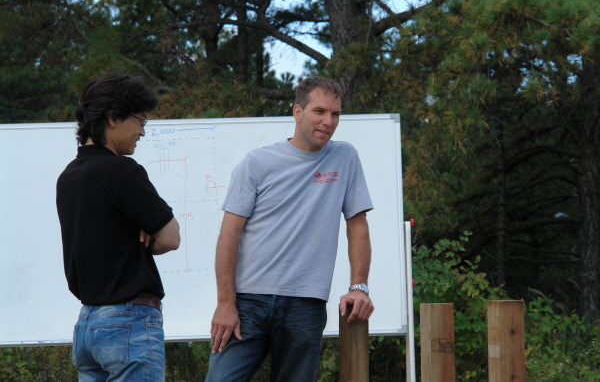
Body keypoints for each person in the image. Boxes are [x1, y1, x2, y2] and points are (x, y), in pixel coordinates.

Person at [206, 76, 374, 382]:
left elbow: (357, 224)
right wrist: (225, 303)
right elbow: (229, 235)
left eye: (335, 114)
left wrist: (359, 287)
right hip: (248, 302)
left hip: (306, 305)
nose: (328, 121)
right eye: (319, 111)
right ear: (298, 112)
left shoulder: (345, 157)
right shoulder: (257, 162)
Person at [56, 72, 181, 382]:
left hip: (87, 325)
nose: (142, 132)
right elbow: (171, 237)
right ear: (113, 118)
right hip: (128, 323)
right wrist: (146, 236)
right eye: (140, 121)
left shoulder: (67, 177)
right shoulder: (122, 171)